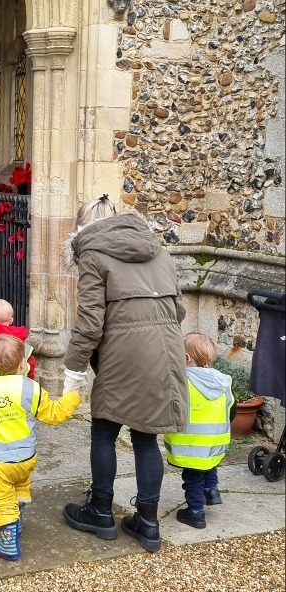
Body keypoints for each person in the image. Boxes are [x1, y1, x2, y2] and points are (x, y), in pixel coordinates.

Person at [61, 194, 188, 553]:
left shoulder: (93, 254)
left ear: (84, 226)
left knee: (104, 429)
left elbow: (89, 324)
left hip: (122, 353)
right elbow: (178, 310)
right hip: (165, 351)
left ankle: (100, 512)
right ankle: (147, 522)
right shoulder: (159, 251)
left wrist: (73, 371)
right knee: (146, 437)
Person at [0, 334, 82, 561]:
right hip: (26, 458)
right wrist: (72, 398)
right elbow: (54, 415)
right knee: (20, 485)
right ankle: (19, 510)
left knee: (1, 499)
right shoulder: (30, 388)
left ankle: (8, 542)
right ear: (23, 364)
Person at [165, 332, 236, 529]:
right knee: (209, 464)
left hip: (190, 444)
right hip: (214, 441)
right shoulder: (223, 381)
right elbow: (232, 409)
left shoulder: (182, 381)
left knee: (192, 478)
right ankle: (212, 491)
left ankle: (195, 512)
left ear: (186, 358)